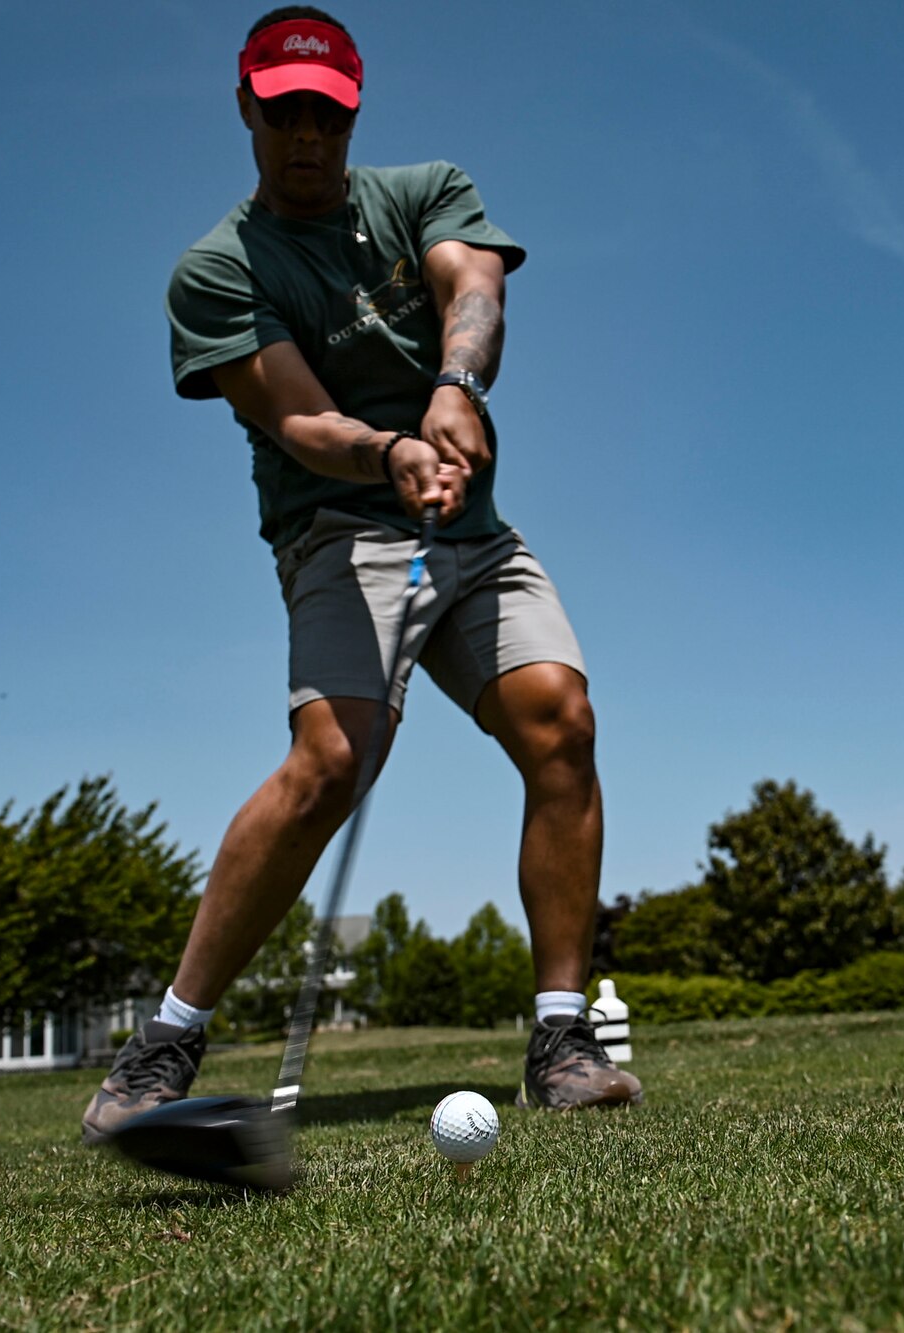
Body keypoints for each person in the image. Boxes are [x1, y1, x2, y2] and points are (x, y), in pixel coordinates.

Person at [82, 6, 640, 1143]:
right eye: (282, 113)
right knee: (333, 758)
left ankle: (560, 1034)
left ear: (352, 115)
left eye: (325, 117)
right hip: (338, 527)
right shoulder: (215, 271)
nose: (305, 138)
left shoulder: (423, 188)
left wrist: (454, 389)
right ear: (245, 109)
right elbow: (293, 415)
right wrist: (392, 450)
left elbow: (471, 286)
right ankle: (166, 1042)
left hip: (470, 528)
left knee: (560, 721)